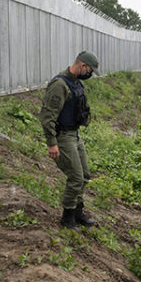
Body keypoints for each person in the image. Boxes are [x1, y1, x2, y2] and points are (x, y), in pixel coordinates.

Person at [38, 51, 99, 231]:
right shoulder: (59, 85)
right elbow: (47, 116)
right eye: (89, 70)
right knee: (75, 177)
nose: (90, 74)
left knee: (85, 175)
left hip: (75, 135)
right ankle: (68, 216)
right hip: (63, 137)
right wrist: (52, 143)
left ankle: (78, 212)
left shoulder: (76, 83)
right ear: (82, 66)